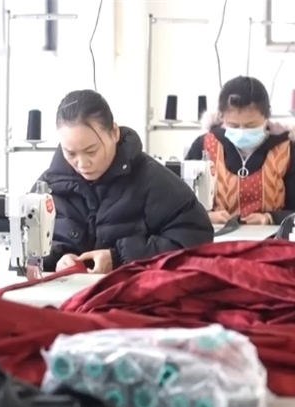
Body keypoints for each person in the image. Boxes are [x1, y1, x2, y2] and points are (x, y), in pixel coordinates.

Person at [37, 89, 213, 275]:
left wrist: (119, 258)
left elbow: (196, 239)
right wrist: (56, 259)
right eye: (70, 153)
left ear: (114, 132)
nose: (82, 163)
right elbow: (27, 250)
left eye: (91, 151)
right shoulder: (49, 186)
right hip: (67, 292)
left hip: (132, 290)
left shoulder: (153, 181)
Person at [186, 76, 295, 225]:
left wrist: (270, 218)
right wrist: (205, 216)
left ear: (267, 116)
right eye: (233, 126)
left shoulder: (293, 149)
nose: (242, 131)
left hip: (274, 237)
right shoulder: (203, 146)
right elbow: (182, 203)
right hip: (216, 234)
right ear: (222, 117)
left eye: (251, 125)